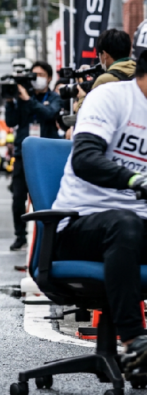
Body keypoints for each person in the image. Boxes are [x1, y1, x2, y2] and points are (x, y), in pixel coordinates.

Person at [50, 51, 147, 374]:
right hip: (81, 225)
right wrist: (133, 179)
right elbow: (85, 158)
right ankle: (134, 342)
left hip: (135, 227)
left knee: (131, 225)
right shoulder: (111, 97)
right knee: (124, 223)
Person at [5, 61, 62, 250]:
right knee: (18, 197)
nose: (36, 78)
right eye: (33, 74)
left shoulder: (54, 97)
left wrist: (29, 99)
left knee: (45, 197)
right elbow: (11, 121)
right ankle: (20, 235)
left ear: (49, 77)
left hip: (46, 154)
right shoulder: (22, 98)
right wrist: (10, 102)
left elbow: (49, 114)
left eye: (40, 74)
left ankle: (47, 236)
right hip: (23, 153)